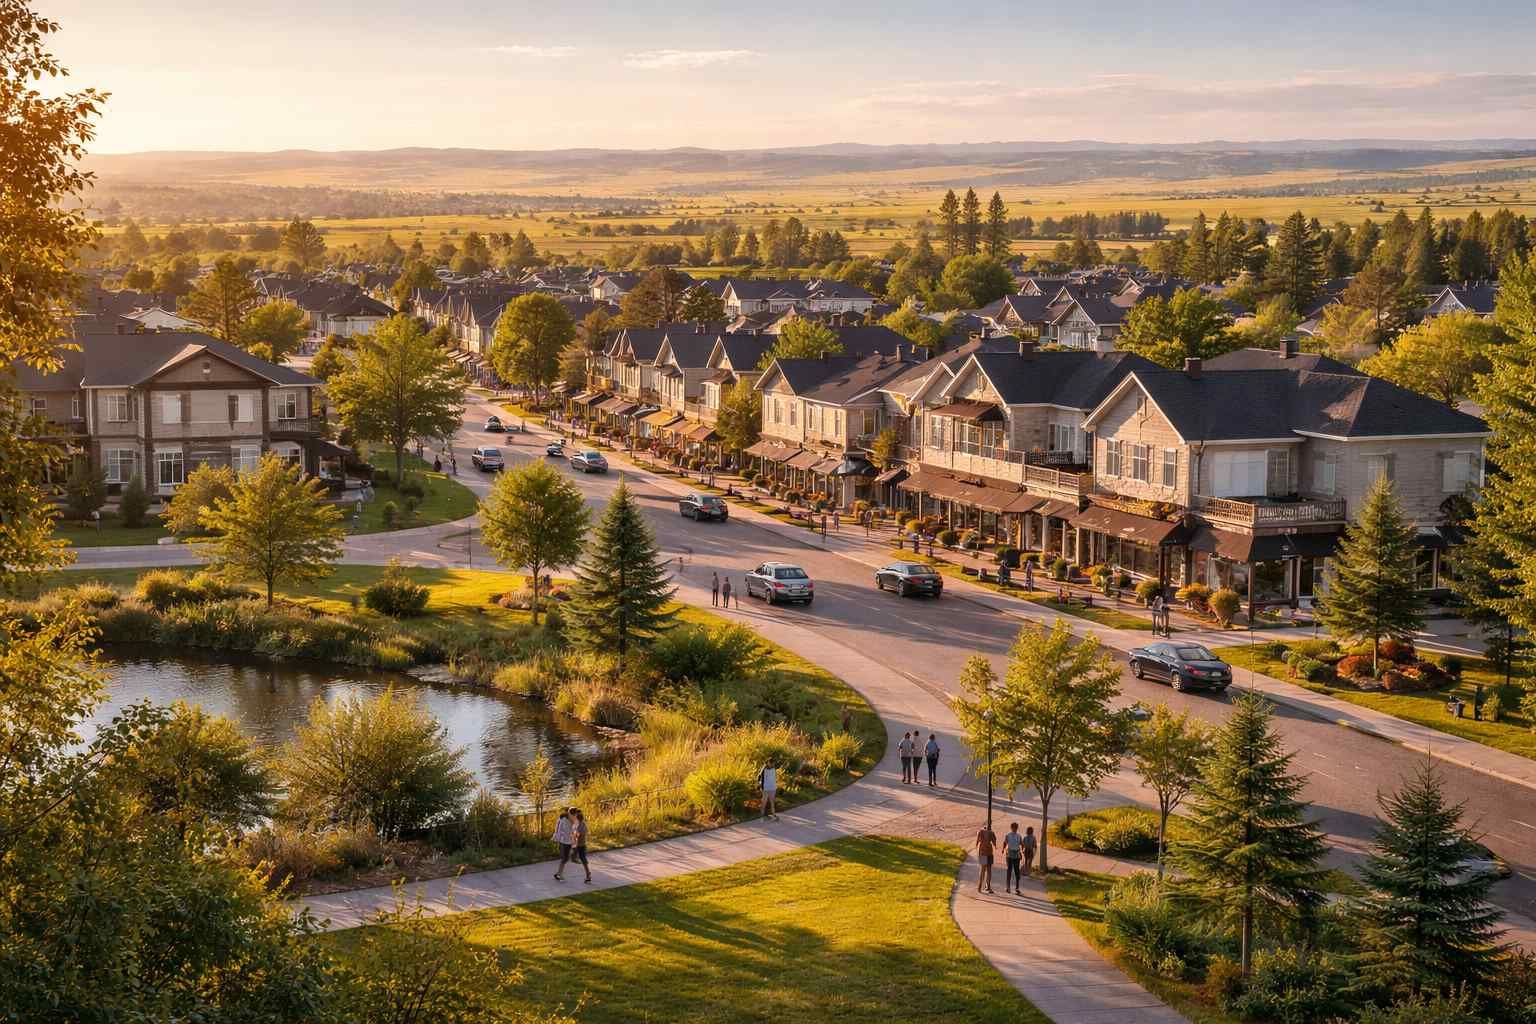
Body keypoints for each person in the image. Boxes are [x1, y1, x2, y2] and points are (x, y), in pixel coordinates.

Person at [570, 807, 592, 883]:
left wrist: (575, 835)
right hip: (579, 844)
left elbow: (579, 834)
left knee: (577, 858)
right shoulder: (581, 824)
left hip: (579, 845)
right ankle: (588, 873)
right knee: (580, 858)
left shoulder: (580, 825)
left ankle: (588, 874)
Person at [975, 821, 997, 894]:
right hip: (988, 853)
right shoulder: (990, 832)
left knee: (983, 870)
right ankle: (987, 886)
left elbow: (977, 841)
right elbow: (994, 843)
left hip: (983, 852)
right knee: (988, 870)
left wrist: (978, 845)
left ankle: (981, 887)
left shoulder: (981, 831)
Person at [552, 807, 574, 881]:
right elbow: (558, 829)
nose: (574, 816)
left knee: (565, 858)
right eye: (573, 814)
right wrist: (557, 838)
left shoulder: (570, 819)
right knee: (565, 858)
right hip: (565, 841)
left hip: (568, 841)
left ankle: (559, 873)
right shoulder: (563, 820)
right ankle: (559, 874)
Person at [1002, 822, 1025, 894]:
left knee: (1017, 871)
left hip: (1016, 854)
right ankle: (1008, 887)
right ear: (1011, 828)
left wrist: (1022, 851)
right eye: (1014, 827)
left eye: (1016, 827)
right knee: (1009, 870)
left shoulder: (1019, 836)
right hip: (1009, 854)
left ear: (1017, 828)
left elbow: (1022, 844)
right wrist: (1003, 849)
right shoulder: (1008, 835)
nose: (1015, 829)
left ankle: (1017, 887)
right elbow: (1005, 843)